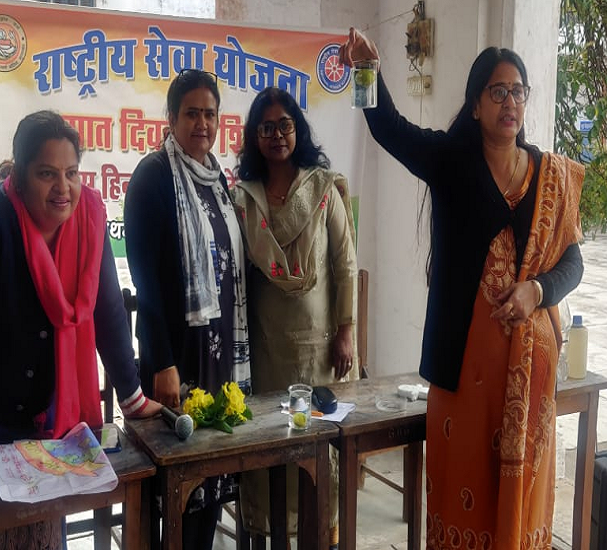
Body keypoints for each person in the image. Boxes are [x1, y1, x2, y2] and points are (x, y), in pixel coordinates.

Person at [340, 29, 584, 548]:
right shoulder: (451, 162)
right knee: (465, 508)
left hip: (528, 383)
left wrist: (537, 291)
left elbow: (573, 262)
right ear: (476, 105)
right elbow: (388, 128)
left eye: (518, 91)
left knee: (519, 515)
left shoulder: (549, 177)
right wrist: (365, 72)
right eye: (497, 91)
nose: (510, 102)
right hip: (463, 378)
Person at [0, 110, 161, 546]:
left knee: (48, 532)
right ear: (19, 175)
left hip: (57, 413)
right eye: (46, 174)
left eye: (71, 173)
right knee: (3, 529)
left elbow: (108, 310)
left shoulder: (89, 216)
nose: (63, 188)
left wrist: (131, 396)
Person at [124, 69, 251, 550]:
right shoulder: (153, 177)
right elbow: (146, 281)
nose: (202, 123)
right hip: (177, 360)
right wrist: (162, 362)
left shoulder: (218, 179)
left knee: (210, 479)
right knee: (172, 489)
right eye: (192, 113)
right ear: (172, 118)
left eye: (210, 114)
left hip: (218, 359)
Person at [232, 86, 357, 547]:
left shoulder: (323, 188)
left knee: (317, 443)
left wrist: (346, 331)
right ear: (254, 136)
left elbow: (345, 264)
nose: (277, 135)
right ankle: (268, 535)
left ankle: (319, 533)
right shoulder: (243, 198)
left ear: (297, 129)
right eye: (266, 127)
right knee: (270, 442)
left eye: (284, 125)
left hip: (319, 347)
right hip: (266, 347)